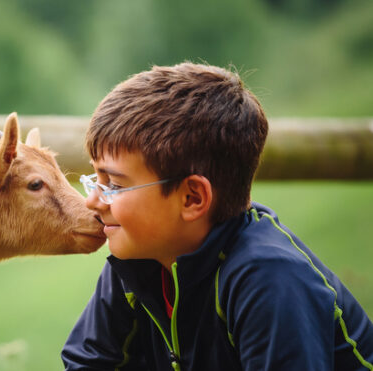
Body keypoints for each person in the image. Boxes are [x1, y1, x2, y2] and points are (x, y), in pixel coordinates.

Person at [61, 62, 373, 370]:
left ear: (192, 198)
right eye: (95, 179)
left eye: (114, 184)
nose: (92, 201)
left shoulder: (272, 281)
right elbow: (86, 362)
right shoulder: (139, 257)